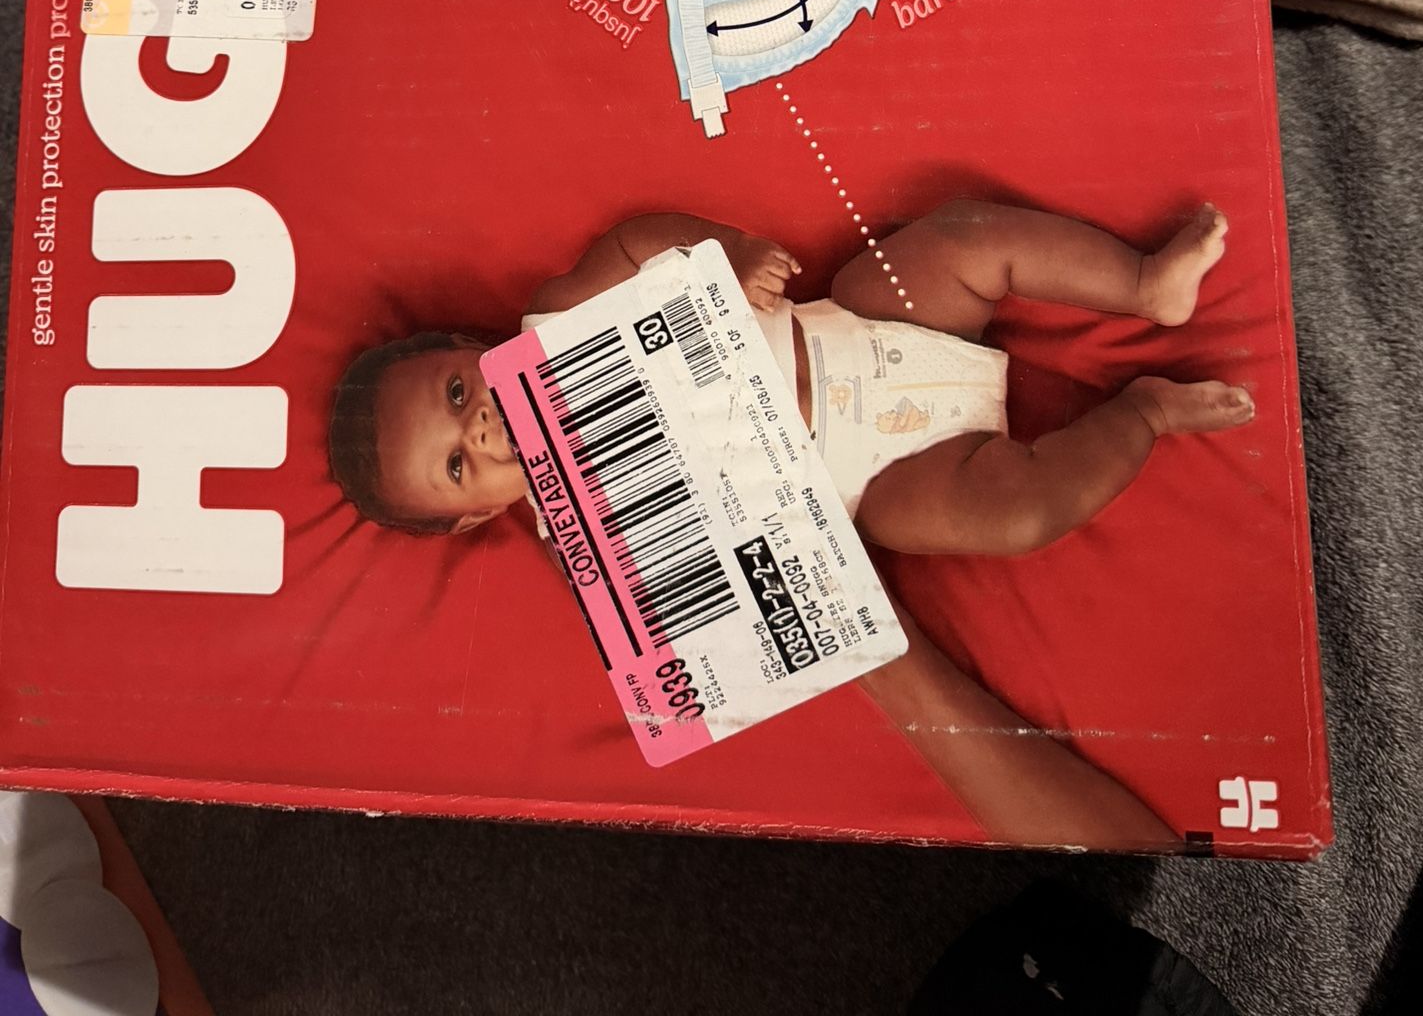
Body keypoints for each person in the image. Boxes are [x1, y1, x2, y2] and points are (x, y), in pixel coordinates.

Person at [329, 198, 1249, 848]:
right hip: (885, 478)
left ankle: (1142, 284)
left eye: (458, 394)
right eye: (458, 464)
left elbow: (634, 242)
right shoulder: (583, 547)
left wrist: (725, 254)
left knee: (968, 238)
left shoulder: (558, 319)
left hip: (866, 325)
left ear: (472, 347)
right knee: (1025, 512)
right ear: (476, 516)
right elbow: (700, 624)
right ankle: (1143, 415)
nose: (480, 430)